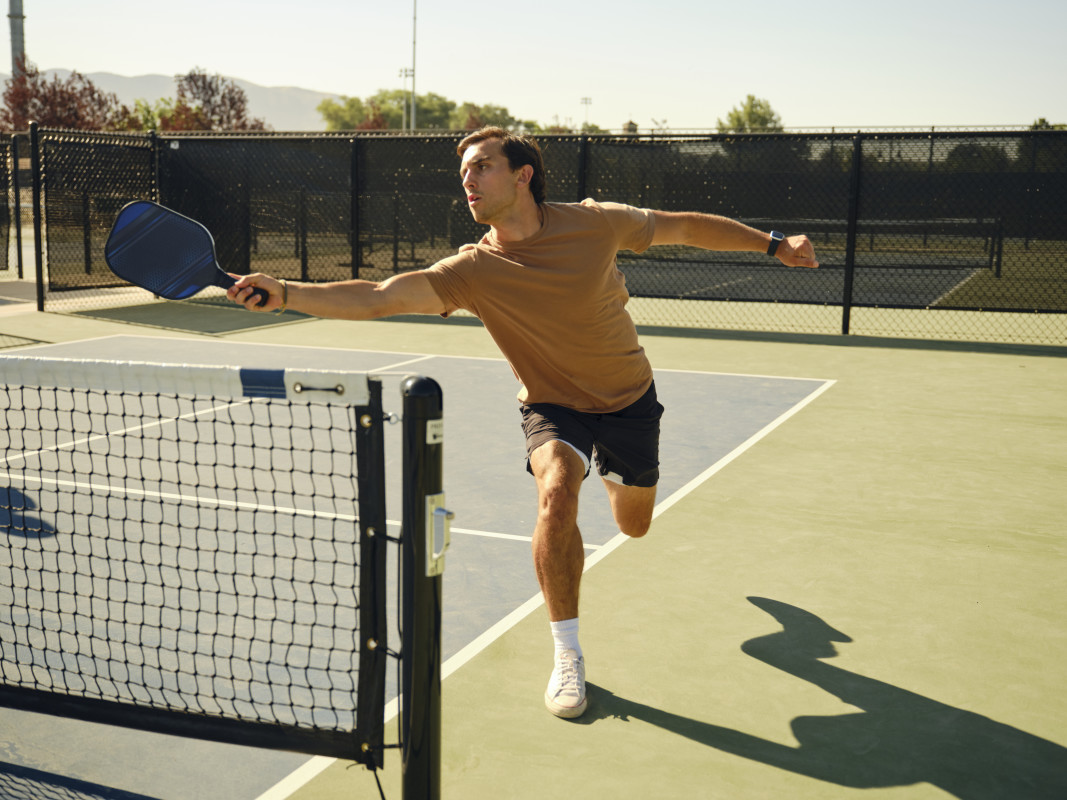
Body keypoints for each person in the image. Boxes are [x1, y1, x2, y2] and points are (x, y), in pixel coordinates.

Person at [228, 126, 819, 719]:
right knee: (557, 493)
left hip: (629, 399)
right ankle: (567, 653)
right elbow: (381, 295)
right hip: (552, 405)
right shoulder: (471, 270)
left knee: (633, 525)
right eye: (464, 171)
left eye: (481, 166)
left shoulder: (595, 223)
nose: (468, 179)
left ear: (522, 175)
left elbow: (684, 227)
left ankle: (620, 483)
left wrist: (774, 244)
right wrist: (286, 292)